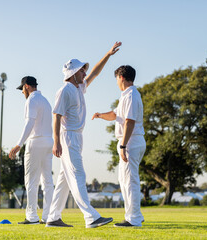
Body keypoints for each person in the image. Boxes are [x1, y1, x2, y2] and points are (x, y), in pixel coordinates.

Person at [46, 42, 122, 228]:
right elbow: (56, 116)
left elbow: (95, 71)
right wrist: (56, 142)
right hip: (67, 138)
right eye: (81, 71)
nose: (85, 73)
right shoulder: (64, 90)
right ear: (72, 74)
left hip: (76, 137)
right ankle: (91, 217)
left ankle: (53, 217)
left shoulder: (79, 87)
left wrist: (108, 54)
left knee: (64, 180)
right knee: (78, 175)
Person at [91, 65, 146, 227]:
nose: (116, 82)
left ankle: (134, 218)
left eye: (116, 79)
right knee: (124, 180)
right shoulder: (126, 96)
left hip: (130, 141)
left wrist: (123, 146)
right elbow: (116, 115)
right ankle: (135, 215)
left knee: (130, 181)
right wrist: (101, 115)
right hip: (129, 141)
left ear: (121, 77)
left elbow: (129, 122)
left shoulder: (131, 95)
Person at [9, 76, 54, 225]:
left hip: (36, 142)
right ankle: (48, 217)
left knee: (31, 181)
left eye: (22, 89)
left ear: (27, 86)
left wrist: (18, 144)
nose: (22, 92)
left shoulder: (31, 100)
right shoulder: (46, 101)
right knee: (47, 181)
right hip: (48, 141)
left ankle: (32, 217)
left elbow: (30, 122)